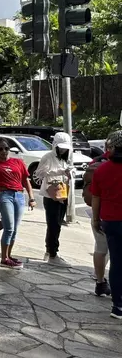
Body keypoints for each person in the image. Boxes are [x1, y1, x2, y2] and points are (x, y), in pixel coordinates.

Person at [0, 138, 36, 269]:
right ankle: (4, 258)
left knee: (15, 229)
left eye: (6, 149)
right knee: (9, 227)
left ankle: (9, 255)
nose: (4, 151)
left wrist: (31, 198)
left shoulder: (18, 162)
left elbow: (26, 180)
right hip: (4, 195)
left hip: (19, 195)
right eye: (0, 149)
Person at [90, 130, 122, 319]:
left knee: (117, 262)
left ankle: (118, 306)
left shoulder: (101, 169)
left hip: (110, 221)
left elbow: (96, 196)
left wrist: (95, 219)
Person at [34, 132, 72, 267]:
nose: (63, 150)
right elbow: (38, 175)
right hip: (51, 195)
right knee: (53, 224)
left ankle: (49, 250)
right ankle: (53, 253)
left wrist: (68, 172)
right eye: (61, 147)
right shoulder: (48, 157)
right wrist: (58, 172)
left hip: (62, 193)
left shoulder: (63, 158)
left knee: (56, 225)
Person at [84, 137, 114, 296]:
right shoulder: (112, 165)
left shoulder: (96, 162)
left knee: (100, 248)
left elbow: (94, 194)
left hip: (99, 213)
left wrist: (95, 218)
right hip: (113, 216)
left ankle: (100, 281)